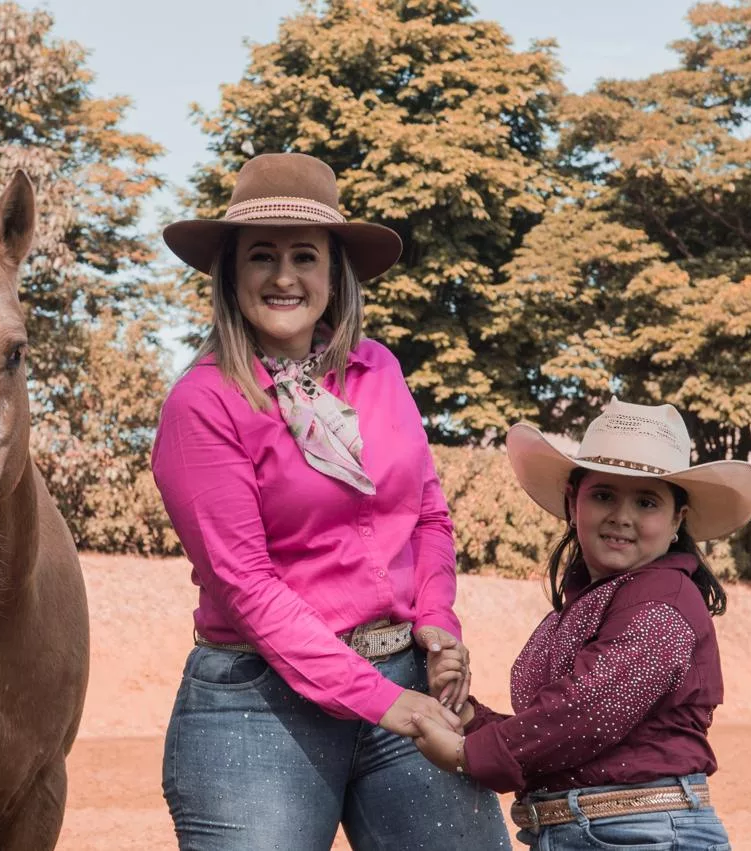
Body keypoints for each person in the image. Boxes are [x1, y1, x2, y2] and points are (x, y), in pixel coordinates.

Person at [152, 152, 510, 850]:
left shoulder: (378, 369)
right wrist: (392, 706)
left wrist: (436, 623)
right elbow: (248, 588)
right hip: (258, 702)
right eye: (262, 255)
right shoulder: (203, 403)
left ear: (334, 271)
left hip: (402, 674)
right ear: (231, 274)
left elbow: (428, 515)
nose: (285, 276)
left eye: (304, 256)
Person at [410, 398, 751, 850]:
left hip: (639, 834)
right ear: (572, 503)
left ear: (678, 520)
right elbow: (561, 729)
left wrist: (468, 754)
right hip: (607, 832)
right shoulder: (587, 604)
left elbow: (585, 712)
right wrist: (466, 715)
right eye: (603, 495)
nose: (622, 516)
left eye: (646, 501)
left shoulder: (663, 603)